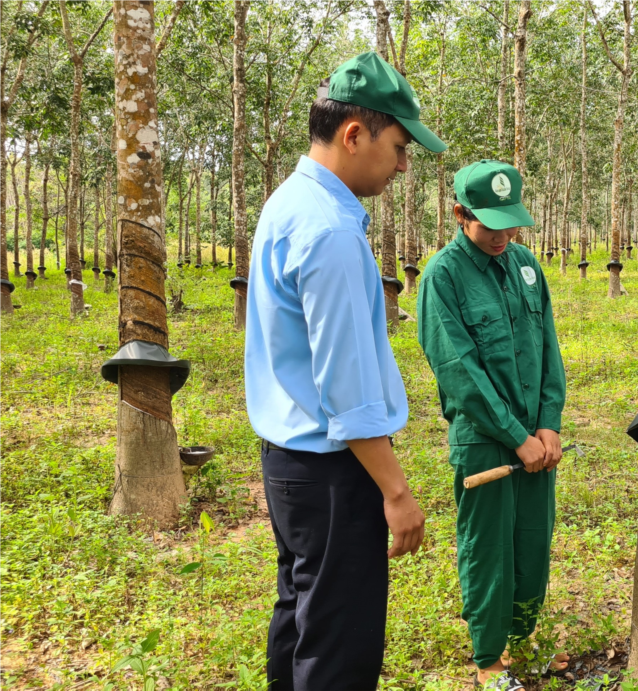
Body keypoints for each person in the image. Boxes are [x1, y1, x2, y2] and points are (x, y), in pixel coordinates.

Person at [244, 52, 447, 690]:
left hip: (290, 459)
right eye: (399, 145)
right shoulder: (328, 230)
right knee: (339, 646)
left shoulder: (290, 203)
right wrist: (395, 491)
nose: (404, 164)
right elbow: (346, 387)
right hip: (336, 470)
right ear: (355, 134)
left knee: (303, 619)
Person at [417, 160, 568, 691]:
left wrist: (547, 424)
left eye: (511, 223)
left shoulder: (526, 266)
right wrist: (516, 437)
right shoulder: (443, 276)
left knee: (532, 541)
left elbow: (548, 345)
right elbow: (459, 372)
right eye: (490, 224)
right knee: (489, 550)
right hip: (486, 443)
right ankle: (489, 661)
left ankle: (521, 640)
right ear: (459, 214)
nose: (503, 235)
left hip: (537, 441)